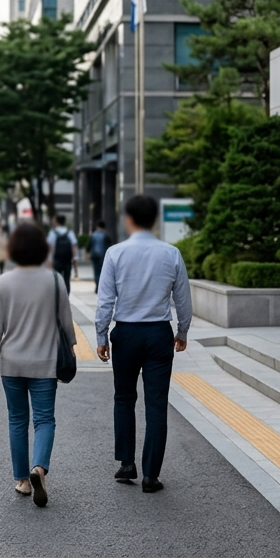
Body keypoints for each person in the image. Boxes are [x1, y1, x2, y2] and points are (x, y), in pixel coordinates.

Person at [95, 194, 192, 493]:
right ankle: (151, 475)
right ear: (155, 221)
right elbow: (183, 300)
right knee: (156, 404)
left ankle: (126, 463)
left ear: (129, 219)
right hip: (158, 334)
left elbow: (105, 301)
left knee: (124, 398)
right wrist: (182, 332)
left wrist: (101, 336)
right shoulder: (171, 254)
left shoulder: (115, 253)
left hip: (125, 334)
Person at [0, 222, 76, 508]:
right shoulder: (55, 280)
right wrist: (71, 350)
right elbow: (66, 324)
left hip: (11, 362)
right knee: (44, 419)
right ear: (43, 248)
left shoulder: (5, 282)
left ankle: (22, 480)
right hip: (45, 362)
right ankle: (39, 468)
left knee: (17, 420)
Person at [49, 215, 78, 294]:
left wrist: (49, 263)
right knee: (66, 280)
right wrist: (75, 260)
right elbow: (73, 247)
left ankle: (57, 296)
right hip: (67, 261)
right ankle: (66, 296)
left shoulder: (53, 233)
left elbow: (51, 249)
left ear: (56, 221)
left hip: (56, 260)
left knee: (56, 280)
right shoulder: (70, 233)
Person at [87, 220, 111, 293]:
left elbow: (89, 245)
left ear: (97, 227)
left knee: (96, 271)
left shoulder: (93, 235)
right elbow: (109, 245)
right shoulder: (106, 235)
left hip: (95, 256)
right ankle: (101, 287)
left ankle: (97, 286)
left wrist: (88, 253)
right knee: (103, 272)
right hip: (103, 256)